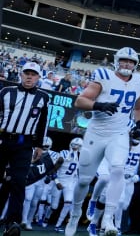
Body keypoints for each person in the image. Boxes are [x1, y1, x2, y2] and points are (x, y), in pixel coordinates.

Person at [64, 47, 140, 236]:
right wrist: (98, 105)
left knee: (118, 169)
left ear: (135, 64)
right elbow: (80, 101)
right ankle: (75, 214)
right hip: (97, 133)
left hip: (119, 133)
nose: (127, 64)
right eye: (124, 60)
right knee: (84, 180)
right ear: (117, 61)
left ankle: (108, 218)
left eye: (131, 61)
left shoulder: (139, 81)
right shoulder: (104, 76)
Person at [0, 61, 50, 235]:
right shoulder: (6, 92)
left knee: (19, 182)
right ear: (21, 74)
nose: (29, 76)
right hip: (3, 140)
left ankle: (12, 222)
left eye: (33, 74)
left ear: (38, 77)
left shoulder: (43, 97)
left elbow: (43, 122)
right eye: (26, 73)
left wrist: (39, 145)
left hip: (24, 144)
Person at [51, 137, 83, 232]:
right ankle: (46, 217)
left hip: (70, 183)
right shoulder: (64, 154)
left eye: (78, 145)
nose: (75, 147)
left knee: (68, 203)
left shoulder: (81, 156)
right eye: (74, 144)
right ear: (70, 144)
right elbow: (53, 170)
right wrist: (57, 182)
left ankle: (58, 225)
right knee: (54, 206)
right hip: (59, 181)